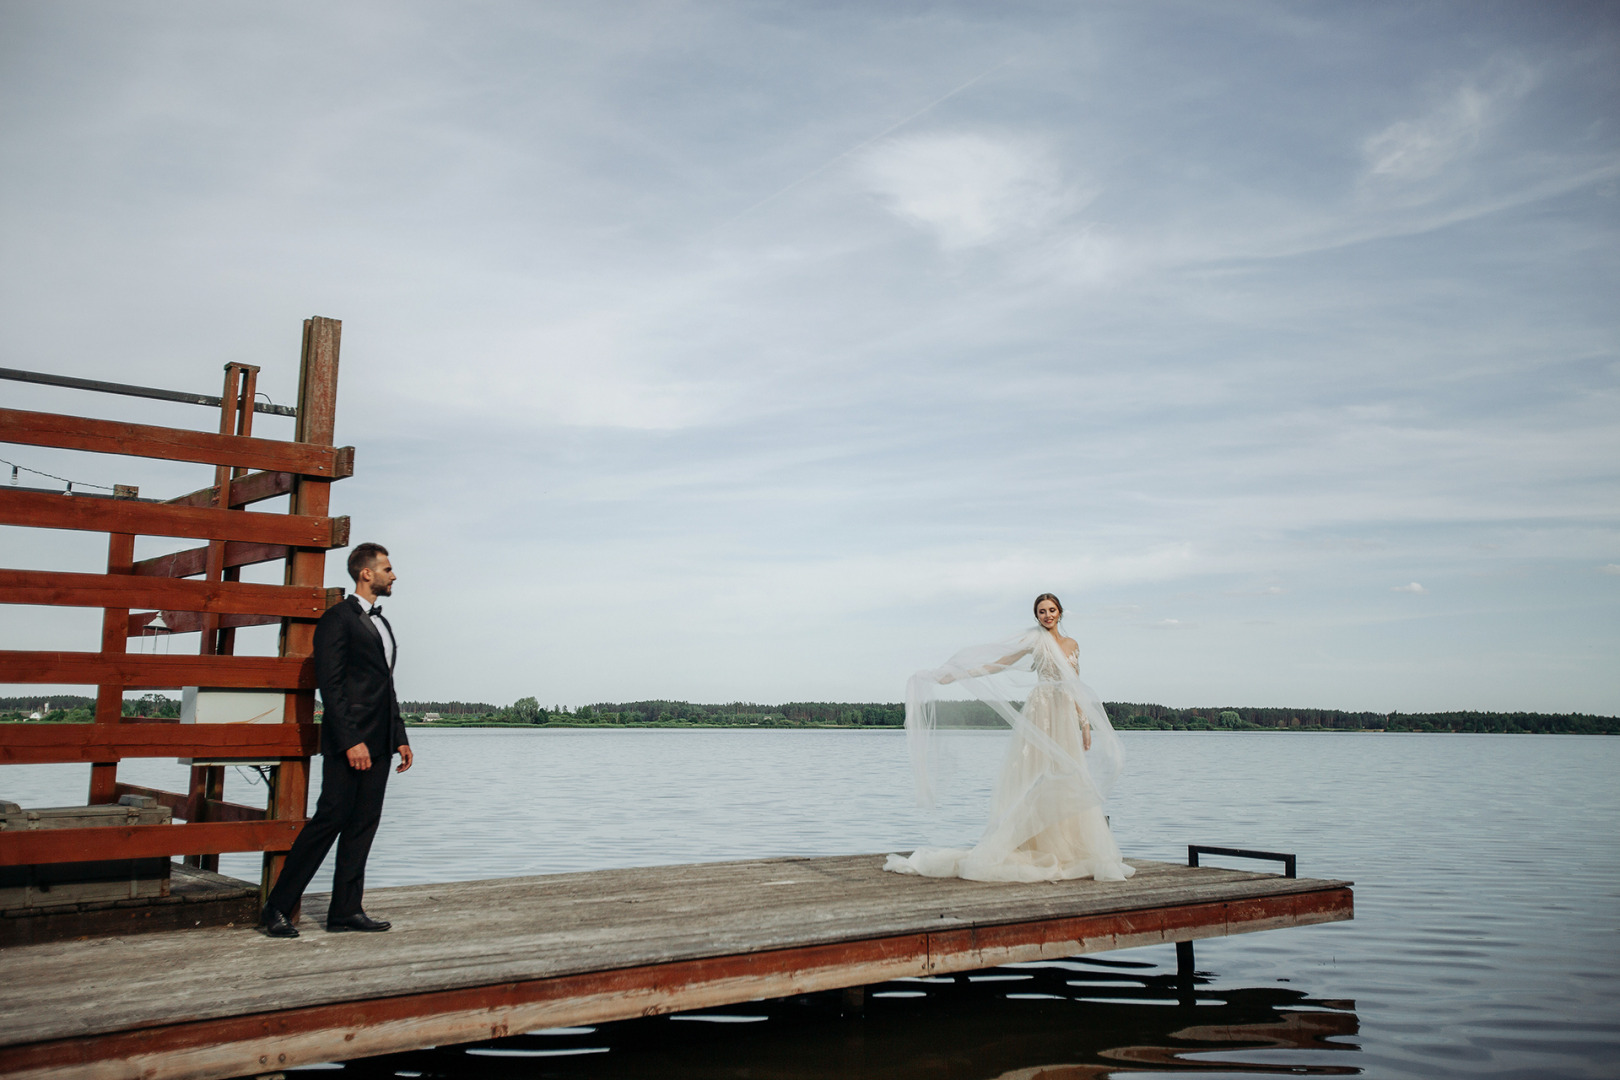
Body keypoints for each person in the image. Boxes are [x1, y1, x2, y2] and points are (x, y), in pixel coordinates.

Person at [884, 593, 1135, 883]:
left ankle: (1068, 845)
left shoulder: (1072, 645)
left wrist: (1085, 724)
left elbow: (1075, 684)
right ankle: (1021, 842)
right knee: (1033, 776)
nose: (1047, 615)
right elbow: (999, 664)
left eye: (1052, 610)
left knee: (1070, 774)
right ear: (1036, 616)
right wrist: (956, 675)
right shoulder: (1034, 641)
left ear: (1060, 613)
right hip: (1040, 711)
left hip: (1064, 713)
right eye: (1041, 611)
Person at [260, 542, 414, 937]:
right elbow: (330, 685)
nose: (393, 575)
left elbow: (384, 686)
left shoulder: (378, 623)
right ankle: (276, 907)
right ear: (367, 573)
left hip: (379, 745)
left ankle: (345, 910)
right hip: (351, 746)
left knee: (364, 826)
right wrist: (350, 742)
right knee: (328, 822)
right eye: (387, 568)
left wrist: (399, 736)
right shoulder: (337, 619)